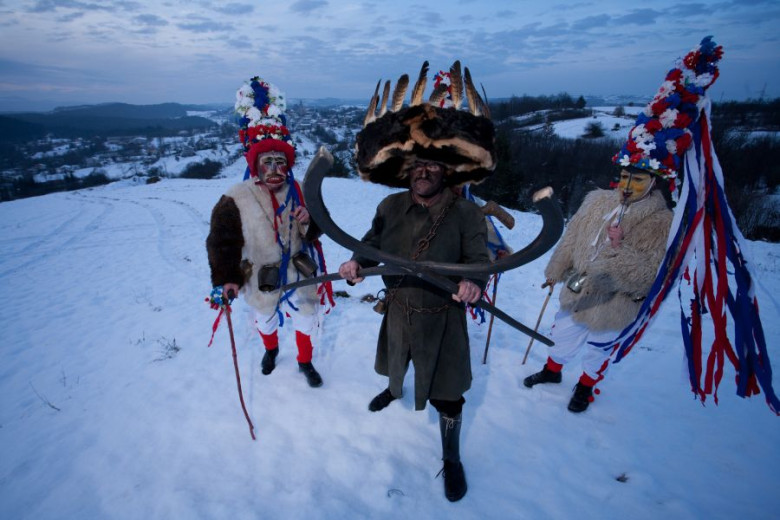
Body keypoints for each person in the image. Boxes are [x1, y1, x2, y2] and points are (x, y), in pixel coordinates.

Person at [338, 60, 496, 502]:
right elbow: (372, 242)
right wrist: (355, 262)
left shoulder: (466, 214)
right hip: (399, 310)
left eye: (433, 166)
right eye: (417, 166)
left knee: (449, 393)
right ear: (408, 170)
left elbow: (478, 261)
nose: (424, 172)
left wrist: (475, 284)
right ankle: (394, 390)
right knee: (396, 362)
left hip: (443, 317)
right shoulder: (390, 207)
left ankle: (451, 456)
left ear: (447, 172)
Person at [207, 76, 326, 388]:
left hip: (299, 266)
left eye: (279, 162)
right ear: (255, 165)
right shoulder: (235, 196)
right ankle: (271, 351)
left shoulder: (300, 189)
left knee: (307, 315)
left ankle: (305, 361)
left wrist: (309, 221)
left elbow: (319, 229)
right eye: (267, 162)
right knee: (264, 317)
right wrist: (227, 278)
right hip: (260, 270)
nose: (274, 168)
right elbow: (222, 242)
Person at [523, 165, 673, 412]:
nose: (627, 185)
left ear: (653, 182)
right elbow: (571, 237)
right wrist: (556, 268)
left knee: (599, 349)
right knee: (562, 335)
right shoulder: (596, 201)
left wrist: (618, 246)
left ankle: (585, 387)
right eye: (624, 177)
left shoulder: (664, 222)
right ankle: (552, 371)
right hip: (579, 288)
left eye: (637, 179)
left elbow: (651, 272)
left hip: (617, 301)